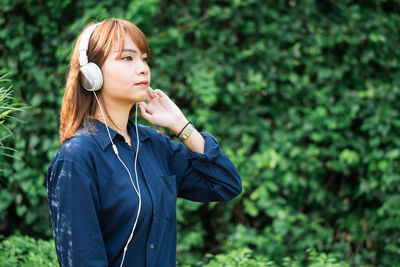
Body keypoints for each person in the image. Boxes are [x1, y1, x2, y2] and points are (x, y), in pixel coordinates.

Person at [46, 18, 242, 267]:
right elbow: (84, 260)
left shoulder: (154, 145)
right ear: (91, 73)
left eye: (144, 58)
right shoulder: (77, 157)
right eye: (127, 58)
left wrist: (181, 125)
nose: (143, 69)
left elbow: (225, 183)